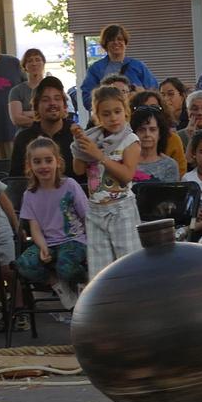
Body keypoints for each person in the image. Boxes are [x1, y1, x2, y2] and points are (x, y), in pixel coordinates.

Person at [72, 86, 141, 272]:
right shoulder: (93, 139)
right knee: (99, 269)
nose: (113, 118)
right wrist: (80, 147)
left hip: (121, 209)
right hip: (95, 210)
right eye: (106, 114)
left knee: (129, 264)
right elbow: (78, 170)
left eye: (117, 111)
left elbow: (126, 176)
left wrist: (100, 156)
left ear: (125, 112)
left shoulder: (130, 140)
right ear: (97, 116)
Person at [16, 138, 89, 311]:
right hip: (48, 241)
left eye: (48, 160)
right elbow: (34, 228)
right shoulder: (30, 195)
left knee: (66, 265)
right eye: (37, 161)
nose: (43, 166)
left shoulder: (69, 185)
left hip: (74, 240)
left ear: (58, 162)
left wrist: (92, 243)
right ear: (30, 165)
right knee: (24, 264)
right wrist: (43, 247)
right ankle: (57, 284)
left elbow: (87, 215)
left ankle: (84, 282)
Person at [10, 80, 75, 181]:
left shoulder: (77, 136)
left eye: (57, 99)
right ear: (36, 107)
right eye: (45, 100)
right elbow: (16, 180)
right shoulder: (23, 138)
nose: (52, 103)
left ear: (65, 105)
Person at [79, 25, 156, 109]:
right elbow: (87, 100)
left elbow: (155, 92)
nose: (116, 42)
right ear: (105, 44)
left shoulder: (138, 66)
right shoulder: (96, 69)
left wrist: (141, 94)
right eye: (111, 40)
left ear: (125, 42)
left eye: (120, 39)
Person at [130, 106, 180, 183]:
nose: (147, 134)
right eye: (141, 130)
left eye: (152, 130)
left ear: (160, 133)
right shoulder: (125, 162)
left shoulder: (169, 165)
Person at [8, 48, 50, 130]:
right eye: (30, 61)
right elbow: (16, 119)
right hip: (25, 137)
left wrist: (25, 113)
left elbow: (60, 113)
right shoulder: (16, 91)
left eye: (37, 60)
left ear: (43, 63)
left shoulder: (51, 87)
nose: (34, 64)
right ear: (24, 66)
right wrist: (44, 121)